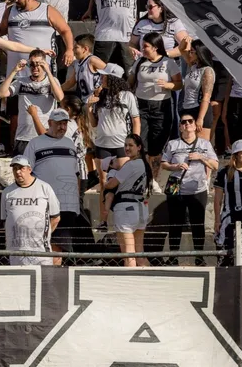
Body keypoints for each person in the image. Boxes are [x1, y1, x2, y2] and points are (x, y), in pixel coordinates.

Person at [22, 108, 88, 263]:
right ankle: (50, 280)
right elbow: (26, 172)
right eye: (58, 124)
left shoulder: (70, 144)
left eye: (65, 124)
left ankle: (53, 279)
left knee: (60, 248)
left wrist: (76, 201)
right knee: (52, 247)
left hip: (68, 206)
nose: (62, 127)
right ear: (50, 123)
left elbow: (76, 174)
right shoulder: (35, 143)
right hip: (45, 205)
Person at [161, 112, 218, 264]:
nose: (187, 124)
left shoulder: (205, 144)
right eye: (183, 122)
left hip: (197, 189)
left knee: (198, 223)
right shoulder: (173, 144)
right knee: (175, 224)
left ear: (195, 125)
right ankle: (173, 256)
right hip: (176, 187)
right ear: (180, 127)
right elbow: (163, 163)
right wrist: (175, 166)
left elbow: (216, 165)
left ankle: (199, 256)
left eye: (190, 121)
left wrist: (201, 157)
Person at [128, 32, 181, 181]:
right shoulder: (139, 62)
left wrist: (168, 84)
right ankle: (142, 177)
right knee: (141, 144)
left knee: (156, 146)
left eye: (146, 46)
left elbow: (179, 84)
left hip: (161, 106)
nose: (142, 49)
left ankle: (154, 179)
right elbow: (130, 82)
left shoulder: (168, 62)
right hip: (141, 105)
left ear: (156, 47)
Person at [0, 0, 75, 73]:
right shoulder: (10, 11)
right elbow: (1, 30)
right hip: (16, 71)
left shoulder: (47, 10)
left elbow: (65, 30)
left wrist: (69, 49)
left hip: (43, 71)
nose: (16, 0)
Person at [0, 51, 65, 154]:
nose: (35, 67)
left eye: (39, 64)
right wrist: (14, 71)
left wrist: (48, 71)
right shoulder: (21, 81)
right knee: (21, 169)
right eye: (32, 64)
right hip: (23, 136)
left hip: (45, 135)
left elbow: (59, 97)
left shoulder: (52, 81)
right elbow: (1, 93)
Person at [87, 64, 140, 188]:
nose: (101, 78)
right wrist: (89, 108)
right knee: (103, 183)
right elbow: (94, 123)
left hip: (122, 144)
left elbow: (136, 121)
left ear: (112, 78)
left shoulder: (128, 96)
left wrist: (135, 144)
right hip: (102, 144)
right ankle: (103, 208)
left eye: (104, 75)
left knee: (123, 182)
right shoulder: (99, 95)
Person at [101, 134, 151, 267]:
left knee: (129, 255)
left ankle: (131, 285)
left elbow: (111, 185)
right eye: (125, 145)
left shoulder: (131, 165)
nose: (127, 148)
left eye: (131, 145)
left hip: (126, 209)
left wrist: (104, 183)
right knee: (140, 254)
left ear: (139, 147)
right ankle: (153, 281)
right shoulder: (144, 165)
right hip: (141, 207)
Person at [2, 155, 61, 265]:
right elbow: (5, 219)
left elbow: (56, 217)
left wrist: (43, 235)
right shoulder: (7, 192)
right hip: (16, 251)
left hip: (40, 252)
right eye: (15, 168)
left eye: (21, 168)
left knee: (42, 280)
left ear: (29, 169)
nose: (18, 172)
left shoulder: (44, 188)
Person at [179, 40, 215, 140]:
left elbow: (206, 96)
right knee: (187, 141)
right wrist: (185, 40)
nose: (189, 53)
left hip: (199, 108)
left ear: (200, 53)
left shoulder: (207, 70)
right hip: (187, 108)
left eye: (192, 51)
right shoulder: (193, 66)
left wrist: (200, 118)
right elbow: (181, 50)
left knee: (201, 144)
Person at [62, 33, 105, 100]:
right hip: (84, 100)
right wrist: (56, 89)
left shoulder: (92, 60)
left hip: (96, 100)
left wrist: (101, 87)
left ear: (85, 49)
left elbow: (111, 73)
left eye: (76, 48)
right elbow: (70, 82)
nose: (73, 51)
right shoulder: (77, 63)